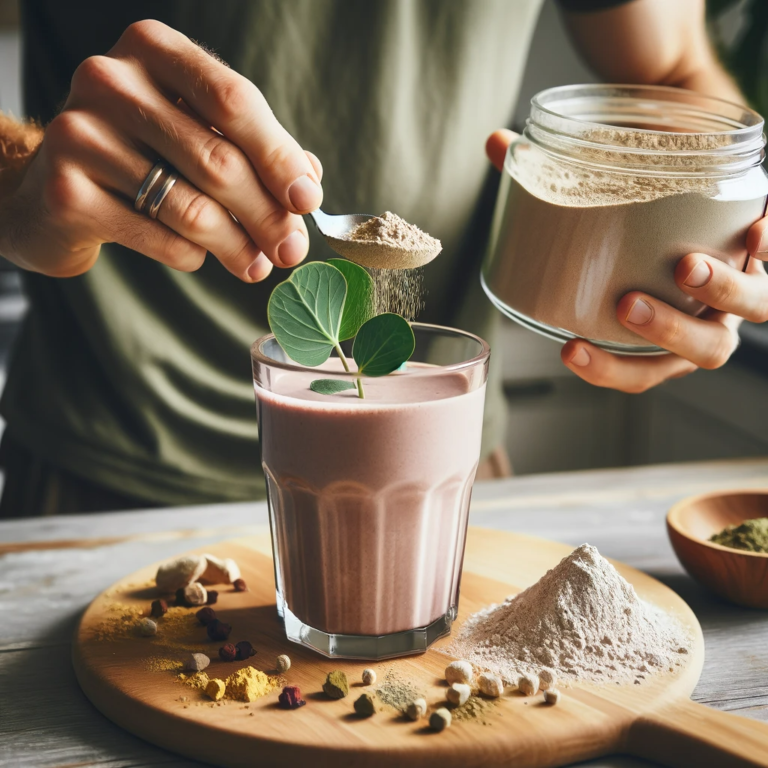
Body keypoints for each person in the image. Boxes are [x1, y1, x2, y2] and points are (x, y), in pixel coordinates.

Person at [0, 0, 766, 517]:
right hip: (112, 462)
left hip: (438, 462)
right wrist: (18, 183)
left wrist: (711, 249)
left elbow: (670, 76)